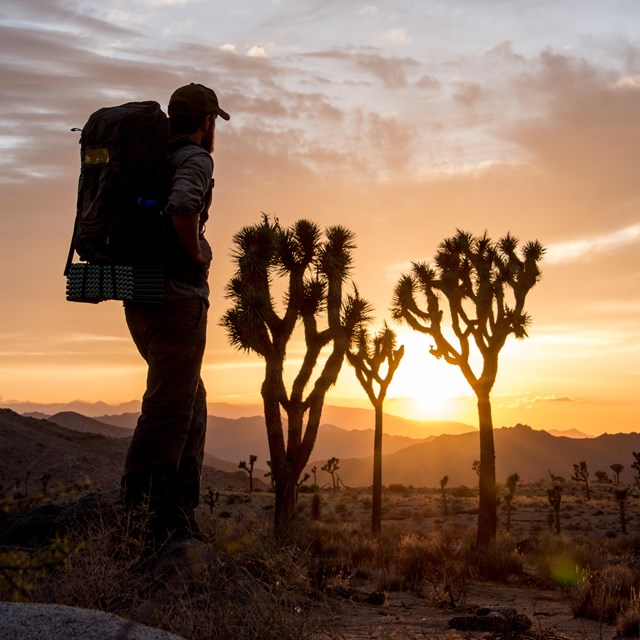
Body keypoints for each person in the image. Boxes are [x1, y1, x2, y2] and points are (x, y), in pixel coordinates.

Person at [120, 83, 230, 544]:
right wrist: (196, 255)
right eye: (213, 123)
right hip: (176, 297)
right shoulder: (195, 159)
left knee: (189, 401)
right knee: (168, 408)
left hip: (138, 294)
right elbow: (184, 205)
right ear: (206, 123)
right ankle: (144, 523)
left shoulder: (149, 158)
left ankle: (179, 515)